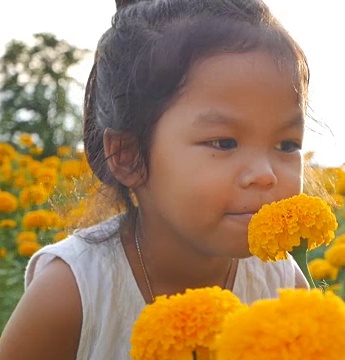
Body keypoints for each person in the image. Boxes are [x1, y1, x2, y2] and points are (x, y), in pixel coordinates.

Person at [0, 0, 313, 358]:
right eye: (224, 142)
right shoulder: (72, 293)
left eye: (287, 144)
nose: (265, 174)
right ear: (127, 156)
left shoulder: (282, 286)